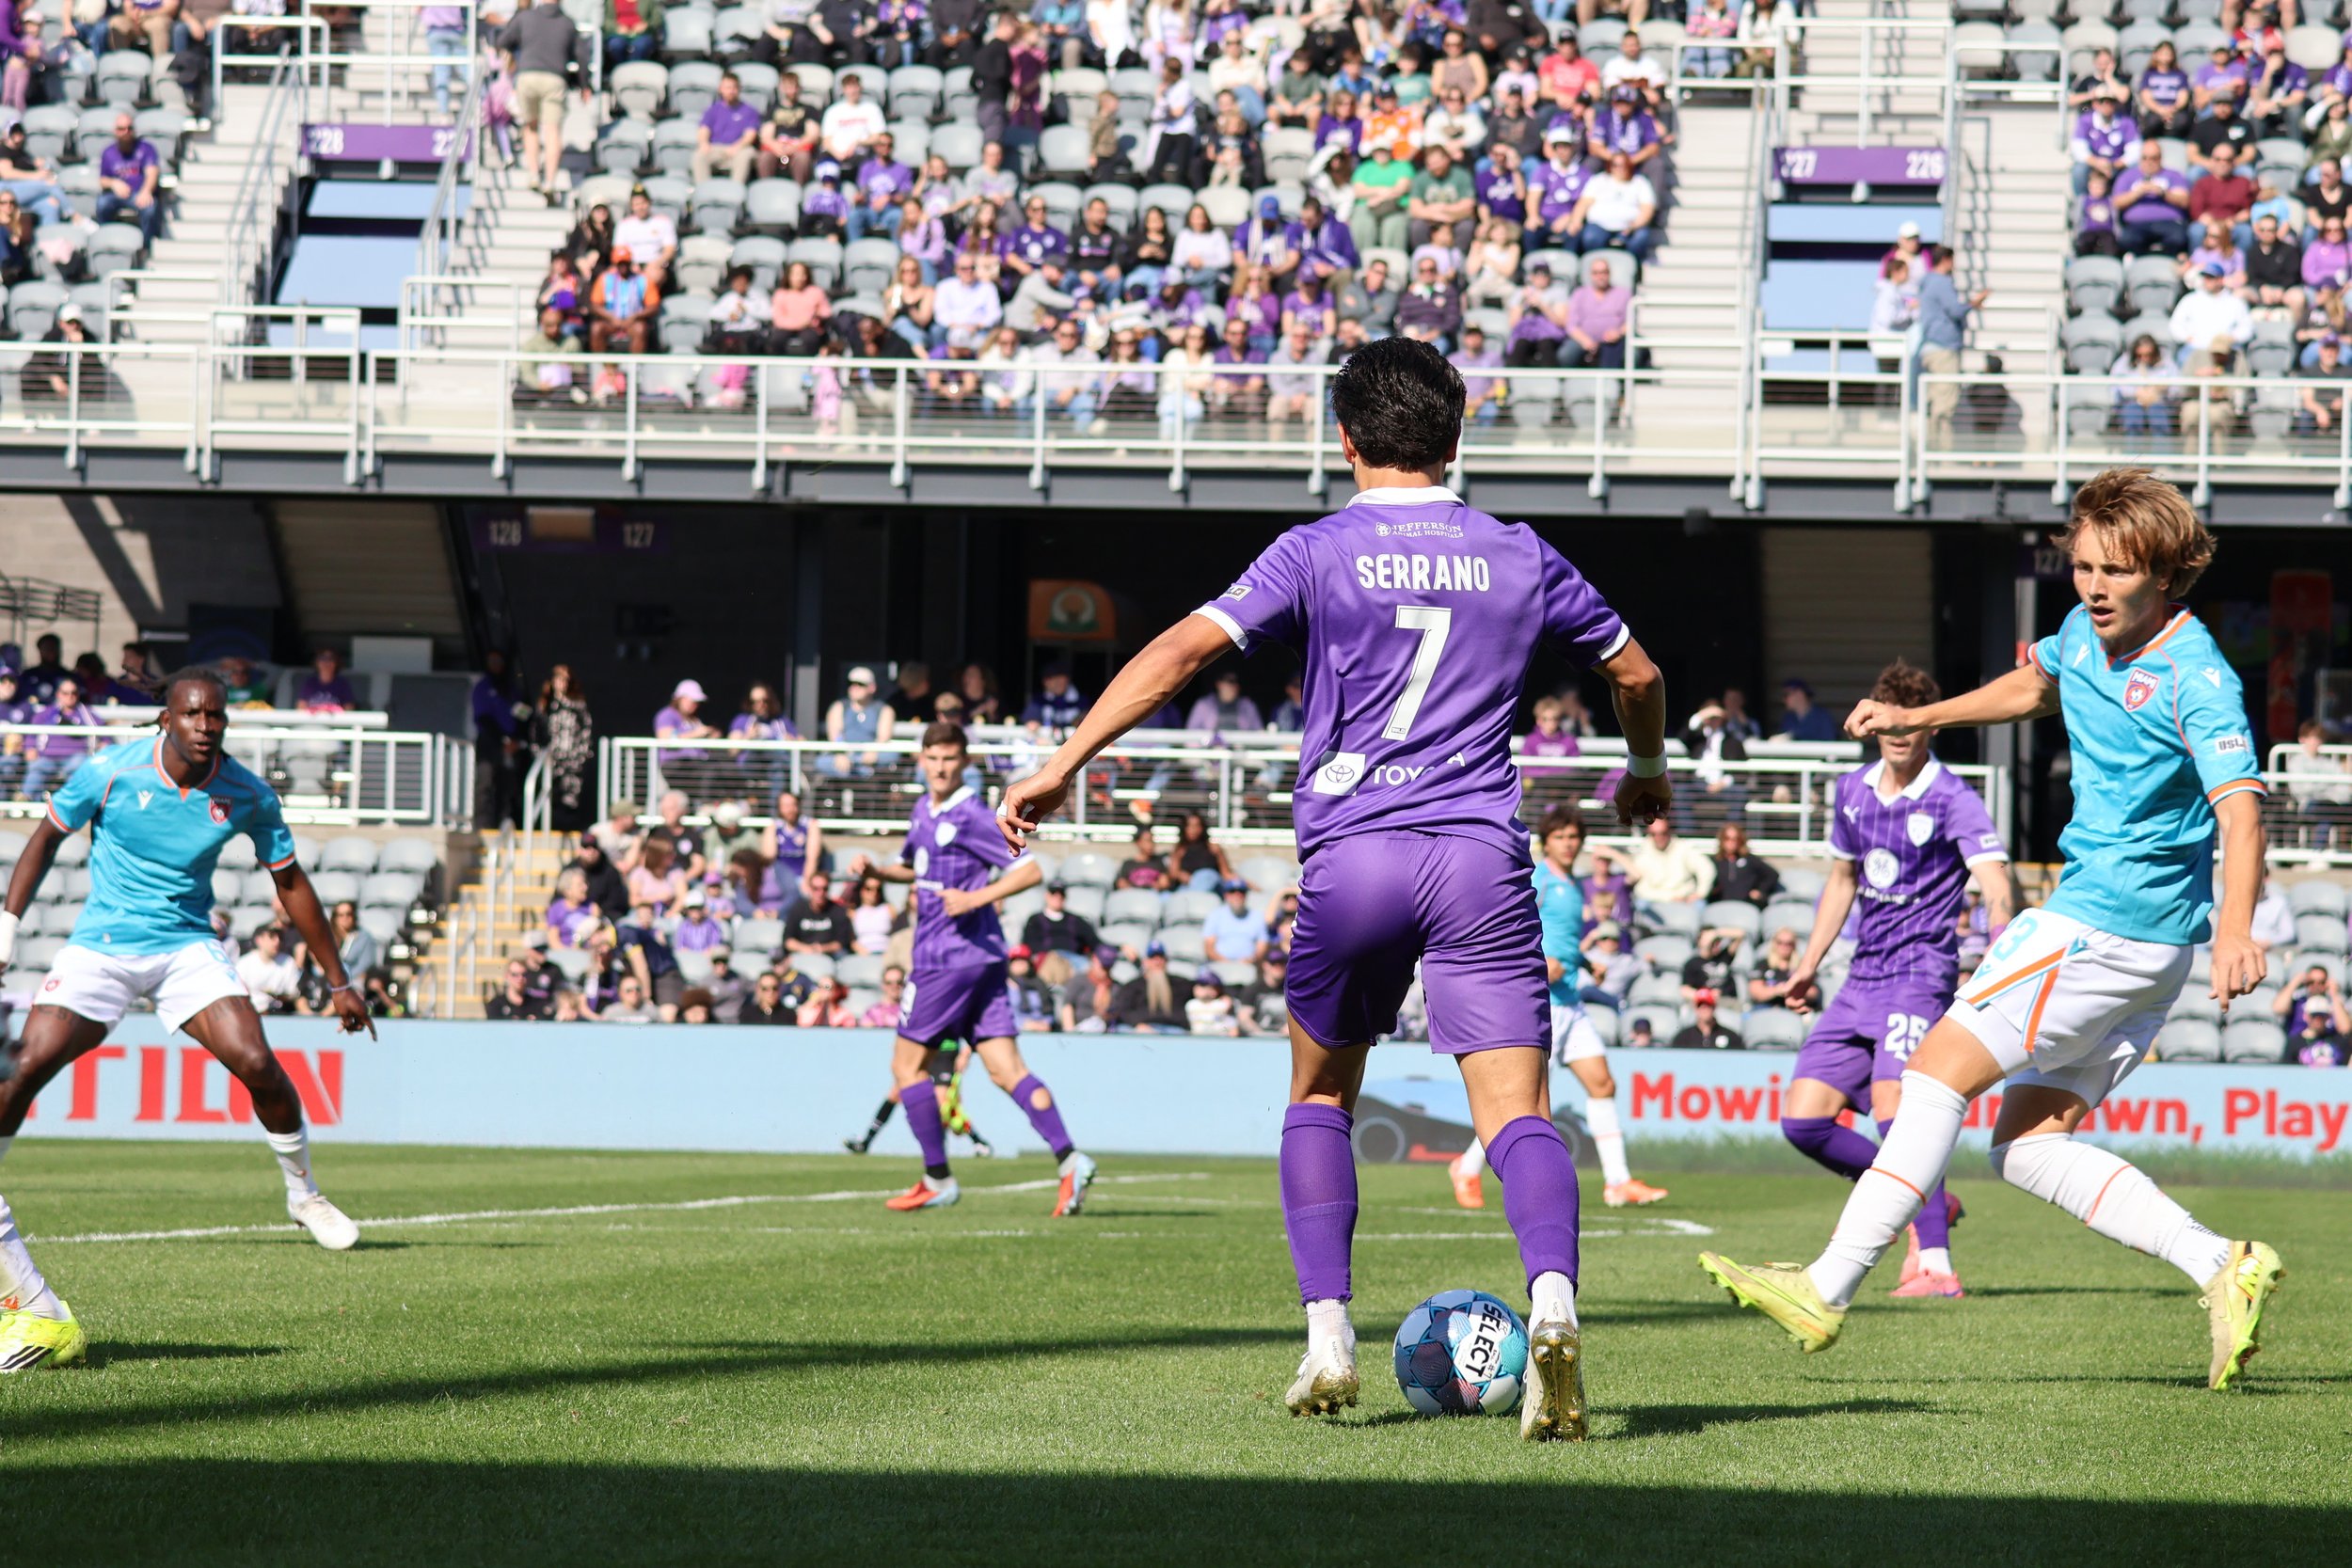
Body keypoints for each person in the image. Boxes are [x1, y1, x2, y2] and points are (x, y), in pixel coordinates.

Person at [997, 336, 1672, 1442]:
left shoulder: (1314, 550)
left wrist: (1064, 760)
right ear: (1457, 437)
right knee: (1517, 1114)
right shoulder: (1519, 552)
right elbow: (1636, 673)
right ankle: (1553, 1304)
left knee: (1318, 1097)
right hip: (1476, 859)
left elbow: (1178, 653)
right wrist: (1643, 770)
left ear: (1345, 439)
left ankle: (1327, 1336)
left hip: (1354, 856)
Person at [1701, 468, 2282, 1393]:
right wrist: (1917, 715)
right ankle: (2221, 1262)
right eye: (2082, 565)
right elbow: (2031, 683)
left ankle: (1825, 1284)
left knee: (1932, 1071)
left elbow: (2242, 807)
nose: (2092, 585)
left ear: (2168, 571)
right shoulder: (2080, 634)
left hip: (2103, 926)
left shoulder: (2197, 675)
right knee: (2024, 1144)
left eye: (2116, 570)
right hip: (2142, 947)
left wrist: (2237, 929)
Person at [0, 671, 378, 1367]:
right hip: (104, 945)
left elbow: (290, 882)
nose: (207, 725)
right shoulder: (110, 770)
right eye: (194, 714)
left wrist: (339, 981)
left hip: (185, 948)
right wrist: (7, 919)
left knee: (259, 1062)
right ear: (166, 719)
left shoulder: (245, 792)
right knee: (23, 1067)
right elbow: (45, 837)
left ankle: (304, 1194)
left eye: (217, 716)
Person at [1760, 658, 2020, 1297]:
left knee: (1893, 1114)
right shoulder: (1852, 790)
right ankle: (1927, 1194)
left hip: (1919, 975)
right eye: (1888, 722)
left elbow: (1995, 883)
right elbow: (1842, 880)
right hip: (1861, 977)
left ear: (1927, 727)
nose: (1898, 735)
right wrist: (1808, 963)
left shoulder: (1952, 796)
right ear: (1872, 719)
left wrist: (1998, 945)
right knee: (1804, 1121)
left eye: (1911, 724)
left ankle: (1934, 1261)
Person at [850, 721, 1096, 1214]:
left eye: (949, 759)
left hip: (945, 959)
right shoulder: (924, 810)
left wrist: (976, 897)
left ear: (962, 762)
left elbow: (1030, 871)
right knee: (1007, 1070)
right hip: (981, 962)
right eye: (932, 758)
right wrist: (876, 870)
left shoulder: (970, 814)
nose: (940, 767)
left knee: (906, 1067)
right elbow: (915, 867)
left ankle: (937, 1177)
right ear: (922, 760)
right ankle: (1071, 1159)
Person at [1451, 805, 1666, 1214]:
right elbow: (1509, 921)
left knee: (1602, 1084)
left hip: (1569, 1000)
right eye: (1561, 837)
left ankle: (1618, 1182)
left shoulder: (1574, 884)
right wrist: (1533, 963)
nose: (1569, 844)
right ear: (1546, 840)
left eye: (1574, 837)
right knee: (1521, 1100)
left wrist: (1586, 964)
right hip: (1539, 1001)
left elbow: (1563, 940)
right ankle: (1467, 1165)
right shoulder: (1540, 877)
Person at [95, 113, 163, 245]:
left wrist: (146, 191)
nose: (126, 132)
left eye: (129, 128)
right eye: (121, 129)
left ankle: (146, 246)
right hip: (116, 196)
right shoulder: (108, 152)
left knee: (150, 208)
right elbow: (102, 180)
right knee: (102, 204)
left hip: (139, 193)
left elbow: (152, 173)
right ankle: (107, 241)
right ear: (115, 131)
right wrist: (114, 183)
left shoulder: (146, 149)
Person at [1022, 879, 1101, 956]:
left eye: (1061, 893)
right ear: (1047, 895)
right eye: (1053, 893)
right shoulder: (1035, 920)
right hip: (1045, 960)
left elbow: (1095, 943)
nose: (1058, 897)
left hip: (1073, 961)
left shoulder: (1076, 921)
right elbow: (1028, 945)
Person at [1671, 989, 1744, 1050]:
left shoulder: (1731, 1037)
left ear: (1714, 1007)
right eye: (1700, 1005)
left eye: (1708, 1005)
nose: (1704, 1009)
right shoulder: (1683, 1038)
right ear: (1695, 1008)